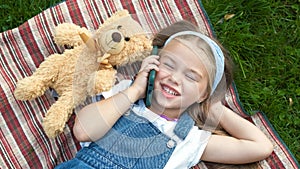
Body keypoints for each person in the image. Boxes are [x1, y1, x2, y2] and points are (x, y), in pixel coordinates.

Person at [55, 20, 273, 169]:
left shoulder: (190, 139)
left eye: (191, 77)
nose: (175, 78)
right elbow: (82, 131)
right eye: (169, 65)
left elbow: (260, 146)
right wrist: (134, 91)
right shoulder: (125, 99)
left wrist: (213, 106)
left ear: (202, 94)